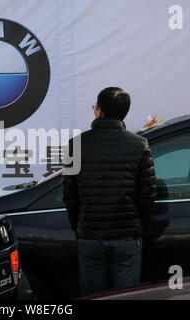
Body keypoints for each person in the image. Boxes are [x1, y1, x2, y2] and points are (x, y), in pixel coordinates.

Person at [62, 87, 156, 297]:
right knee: (127, 296)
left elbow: (69, 194)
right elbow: (147, 195)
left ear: (100, 111)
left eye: (95, 106)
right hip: (127, 237)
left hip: (89, 235)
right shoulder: (140, 145)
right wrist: (140, 227)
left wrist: (78, 226)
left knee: (93, 296)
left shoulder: (75, 145)